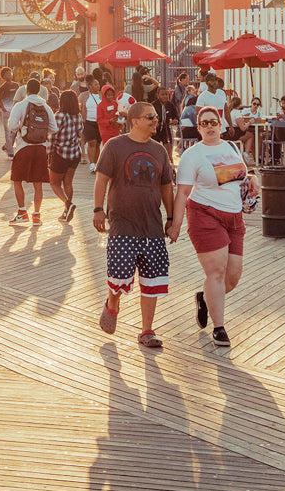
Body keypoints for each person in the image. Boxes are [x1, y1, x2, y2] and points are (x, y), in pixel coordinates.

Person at [166, 103, 258, 349]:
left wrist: (253, 176)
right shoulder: (192, 155)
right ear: (198, 128)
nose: (209, 126)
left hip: (234, 218)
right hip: (205, 214)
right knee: (216, 272)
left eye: (213, 122)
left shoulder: (230, 146)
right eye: (204, 123)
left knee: (233, 276)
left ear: (221, 125)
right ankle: (219, 327)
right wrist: (175, 225)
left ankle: (206, 299)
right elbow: (182, 192)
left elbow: (239, 175)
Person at [94, 101, 175, 349]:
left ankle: (147, 330)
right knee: (119, 274)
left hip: (152, 226)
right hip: (122, 223)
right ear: (135, 120)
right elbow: (101, 180)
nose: (155, 120)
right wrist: (98, 209)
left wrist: (171, 219)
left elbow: (166, 187)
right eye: (149, 117)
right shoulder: (115, 146)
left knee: (153, 279)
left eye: (155, 116)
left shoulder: (160, 150)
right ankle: (112, 304)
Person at [6, 78, 55, 226]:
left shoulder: (21, 105)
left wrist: (22, 129)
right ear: (39, 90)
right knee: (37, 183)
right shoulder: (46, 107)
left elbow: (11, 125)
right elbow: (54, 128)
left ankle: (22, 212)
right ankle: (37, 215)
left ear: (26, 90)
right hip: (41, 148)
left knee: (17, 180)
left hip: (23, 147)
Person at [48, 86, 83, 221]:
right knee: (68, 182)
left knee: (54, 183)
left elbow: (53, 136)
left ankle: (68, 204)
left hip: (61, 153)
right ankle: (66, 211)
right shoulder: (78, 115)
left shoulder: (60, 115)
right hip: (75, 153)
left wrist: (49, 154)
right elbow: (80, 130)